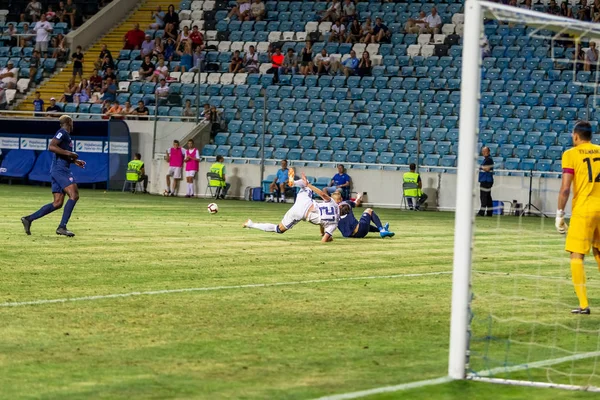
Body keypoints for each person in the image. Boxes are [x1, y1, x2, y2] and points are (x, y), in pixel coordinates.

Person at [555, 121, 600, 314]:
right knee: (598, 252)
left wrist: (559, 214)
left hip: (584, 209)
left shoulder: (570, 154)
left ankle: (583, 305)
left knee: (576, 255)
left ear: (575, 136)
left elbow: (565, 188)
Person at [21, 115, 85, 237]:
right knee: (74, 195)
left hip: (58, 169)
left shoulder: (66, 135)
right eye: (72, 122)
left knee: (57, 203)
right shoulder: (62, 132)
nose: (73, 124)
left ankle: (28, 219)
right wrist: (70, 153)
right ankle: (62, 227)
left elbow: (59, 153)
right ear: (69, 122)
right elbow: (52, 146)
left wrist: (74, 161)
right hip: (60, 170)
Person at [243, 172, 339, 243]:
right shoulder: (331, 207)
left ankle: (251, 224)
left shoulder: (306, 185)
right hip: (304, 210)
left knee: (278, 228)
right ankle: (251, 224)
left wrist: (291, 179)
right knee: (279, 229)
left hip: (300, 205)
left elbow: (291, 184)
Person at [478, 146, 494, 217]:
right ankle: (489, 212)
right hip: (486, 180)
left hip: (486, 180)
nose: (484, 153)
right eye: (483, 151)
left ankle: (482, 212)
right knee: (487, 197)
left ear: (489, 152)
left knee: (483, 196)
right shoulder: (486, 159)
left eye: (485, 151)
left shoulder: (489, 160)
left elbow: (487, 169)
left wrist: (481, 167)